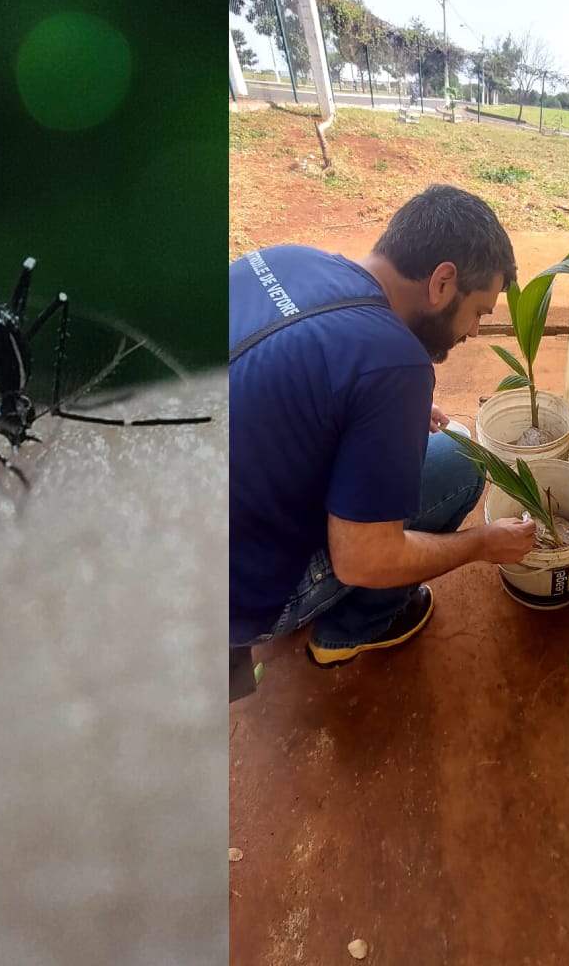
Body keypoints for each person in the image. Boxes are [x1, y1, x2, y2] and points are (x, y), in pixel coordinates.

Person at [229, 184, 539, 675]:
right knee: (461, 464)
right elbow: (362, 560)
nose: (475, 332)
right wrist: (482, 545)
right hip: (241, 605)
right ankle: (349, 630)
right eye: (478, 312)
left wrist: (380, 412)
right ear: (442, 282)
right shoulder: (396, 365)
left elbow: (298, 384)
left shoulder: (285, 258)